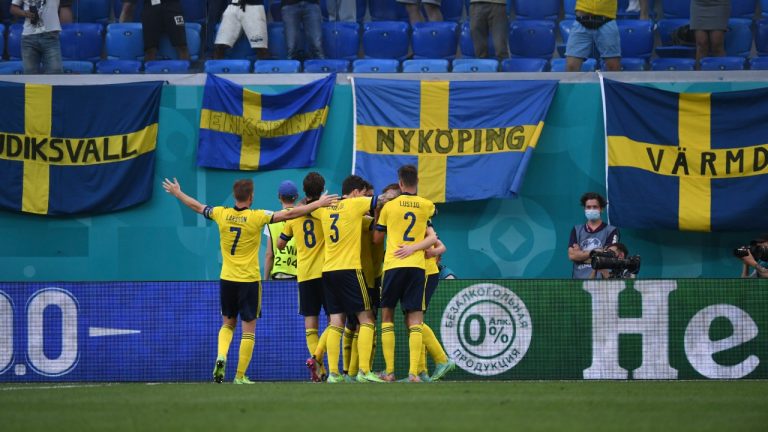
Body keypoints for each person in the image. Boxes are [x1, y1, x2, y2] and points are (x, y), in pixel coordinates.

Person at [162, 177, 337, 384]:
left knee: (227, 324)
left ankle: (221, 356)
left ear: (235, 196)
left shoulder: (221, 213)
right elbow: (290, 213)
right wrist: (318, 203)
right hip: (249, 280)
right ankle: (239, 375)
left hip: (227, 278)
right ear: (251, 197)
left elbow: (197, 207)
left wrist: (177, 193)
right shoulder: (257, 216)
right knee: (248, 331)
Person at [308, 175, 381, 383]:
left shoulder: (324, 208)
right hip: (350, 270)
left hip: (328, 271)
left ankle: (333, 374)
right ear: (357, 192)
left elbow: (305, 209)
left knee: (336, 322)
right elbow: (383, 199)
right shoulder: (356, 204)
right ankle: (364, 371)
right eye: (364, 193)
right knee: (366, 319)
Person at [373, 165, 439, 382]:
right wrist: (415, 247)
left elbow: (377, 239)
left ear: (400, 183)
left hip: (393, 265)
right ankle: (414, 374)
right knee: (415, 318)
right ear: (416, 182)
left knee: (387, 315)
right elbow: (432, 231)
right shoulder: (426, 205)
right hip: (417, 267)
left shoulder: (389, 207)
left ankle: (390, 372)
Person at [277, 173, 329, 382]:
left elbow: (280, 244)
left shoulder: (294, 214)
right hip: (326, 272)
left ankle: (320, 369)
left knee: (311, 323)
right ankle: (322, 364)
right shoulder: (325, 210)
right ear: (322, 188)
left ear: (304, 191)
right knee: (336, 321)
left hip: (305, 274)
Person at [568, 192, 619, 279]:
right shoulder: (576, 230)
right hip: (578, 281)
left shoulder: (612, 230)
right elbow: (572, 255)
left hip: (601, 282)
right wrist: (596, 252)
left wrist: (580, 255)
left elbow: (607, 258)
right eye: (588, 207)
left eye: (595, 207)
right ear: (584, 209)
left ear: (601, 209)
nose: (591, 210)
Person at [565, 0, 620, 72]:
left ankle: (613, 84)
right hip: (581, 20)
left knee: (613, 67)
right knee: (571, 66)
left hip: (607, 19)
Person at [10, 0, 63, 74]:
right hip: (29, 37)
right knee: (30, 78)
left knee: (55, 74)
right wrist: (25, 13)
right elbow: (13, 8)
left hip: (50, 36)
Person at [264, 180, 299, 281]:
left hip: (278, 273)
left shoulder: (272, 220)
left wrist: (265, 280)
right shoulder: (302, 218)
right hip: (298, 273)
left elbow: (269, 255)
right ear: (296, 197)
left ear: (279, 197)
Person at [690, 0, 730, 70]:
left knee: (717, 43)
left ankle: (721, 76)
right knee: (701, 43)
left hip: (719, 4)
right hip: (699, 4)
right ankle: (699, 76)